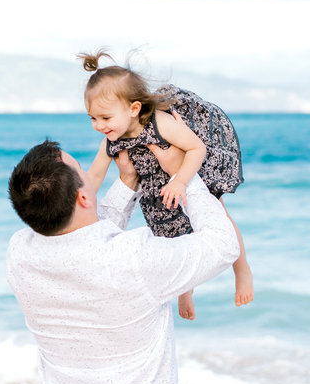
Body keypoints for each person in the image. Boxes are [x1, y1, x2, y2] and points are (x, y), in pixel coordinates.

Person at [7, 139, 240, 384]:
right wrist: (187, 175)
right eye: (82, 170)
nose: (87, 171)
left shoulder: (20, 253)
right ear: (83, 198)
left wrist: (127, 183)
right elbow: (222, 245)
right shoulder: (134, 259)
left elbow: (83, 245)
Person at [78, 50, 252, 320]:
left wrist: (181, 181)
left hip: (187, 171)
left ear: (134, 109)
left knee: (218, 214)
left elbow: (196, 148)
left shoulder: (160, 123)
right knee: (168, 235)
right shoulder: (110, 139)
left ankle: (242, 272)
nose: (98, 126)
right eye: (92, 118)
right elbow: (96, 175)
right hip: (155, 188)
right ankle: (184, 290)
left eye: (105, 118)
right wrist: (78, 203)